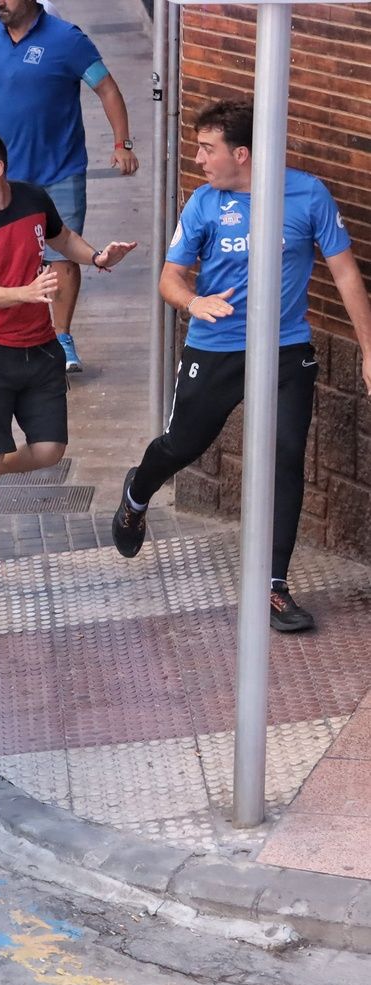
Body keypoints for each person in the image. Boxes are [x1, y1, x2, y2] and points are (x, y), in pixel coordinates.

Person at [110, 100, 371, 632]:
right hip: (215, 346)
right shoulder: (204, 204)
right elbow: (170, 277)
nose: (200, 159)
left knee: (286, 458)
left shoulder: (307, 194)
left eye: (208, 149)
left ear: (242, 153)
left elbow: (344, 274)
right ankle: (137, 493)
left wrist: (369, 349)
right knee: (182, 445)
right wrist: (192, 303)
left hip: (286, 348)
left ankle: (273, 585)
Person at [0, 127, 135, 595]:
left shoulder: (32, 199)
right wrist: (26, 293)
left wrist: (98, 256)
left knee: (49, 451)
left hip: (40, 347)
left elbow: (62, 237)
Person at [0, 0, 136, 373]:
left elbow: (108, 89)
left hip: (61, 168)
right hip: (7, 176)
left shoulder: (68, 39)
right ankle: (19, 333)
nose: (0, 2)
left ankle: (62, 336)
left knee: (62, 253)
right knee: (11, 255)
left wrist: (122, 144)